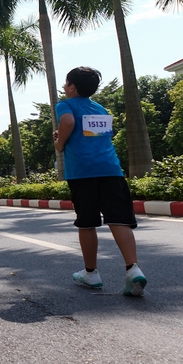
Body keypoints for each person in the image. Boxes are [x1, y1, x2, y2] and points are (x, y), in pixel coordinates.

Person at [53, 66, 146, 296]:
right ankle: (133, 269)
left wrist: (59, 143)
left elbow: (67, 122)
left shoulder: (66, 105)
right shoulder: (100, 108)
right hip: (111, 170)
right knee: (119, 220)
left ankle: (91, 272)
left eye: (66, 84)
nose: (64, 88)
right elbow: (102, 136)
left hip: (83, 173)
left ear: (72, 87)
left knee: (87, 222)